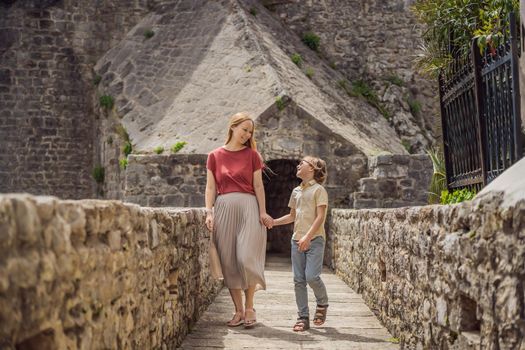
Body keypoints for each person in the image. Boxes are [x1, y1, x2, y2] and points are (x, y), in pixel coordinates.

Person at [205, 112, 273, 329]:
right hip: (223, 208)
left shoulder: (253, 155)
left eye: (250, 131)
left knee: (246, 257)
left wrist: (263, 212)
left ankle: (250, 305)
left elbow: (259, 186)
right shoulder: (214, 155)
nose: (247, 134)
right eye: (244, 129)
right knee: (229, 262)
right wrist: (209, 212)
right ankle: (239, 311)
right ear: (232, 127)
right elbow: (210, 187)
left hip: (249, 208)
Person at [272, 156, 329, 332]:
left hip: (315, 240)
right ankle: (303, 317)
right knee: (299, 280)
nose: (298, 165)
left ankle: (322, 302)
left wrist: (307, 237)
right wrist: (272, 222)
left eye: (302, 163)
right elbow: (291, 216)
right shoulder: (296, 191)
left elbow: (320, 217)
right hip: (296, 241)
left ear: (312, 169)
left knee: (312, 276)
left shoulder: (319, 190)